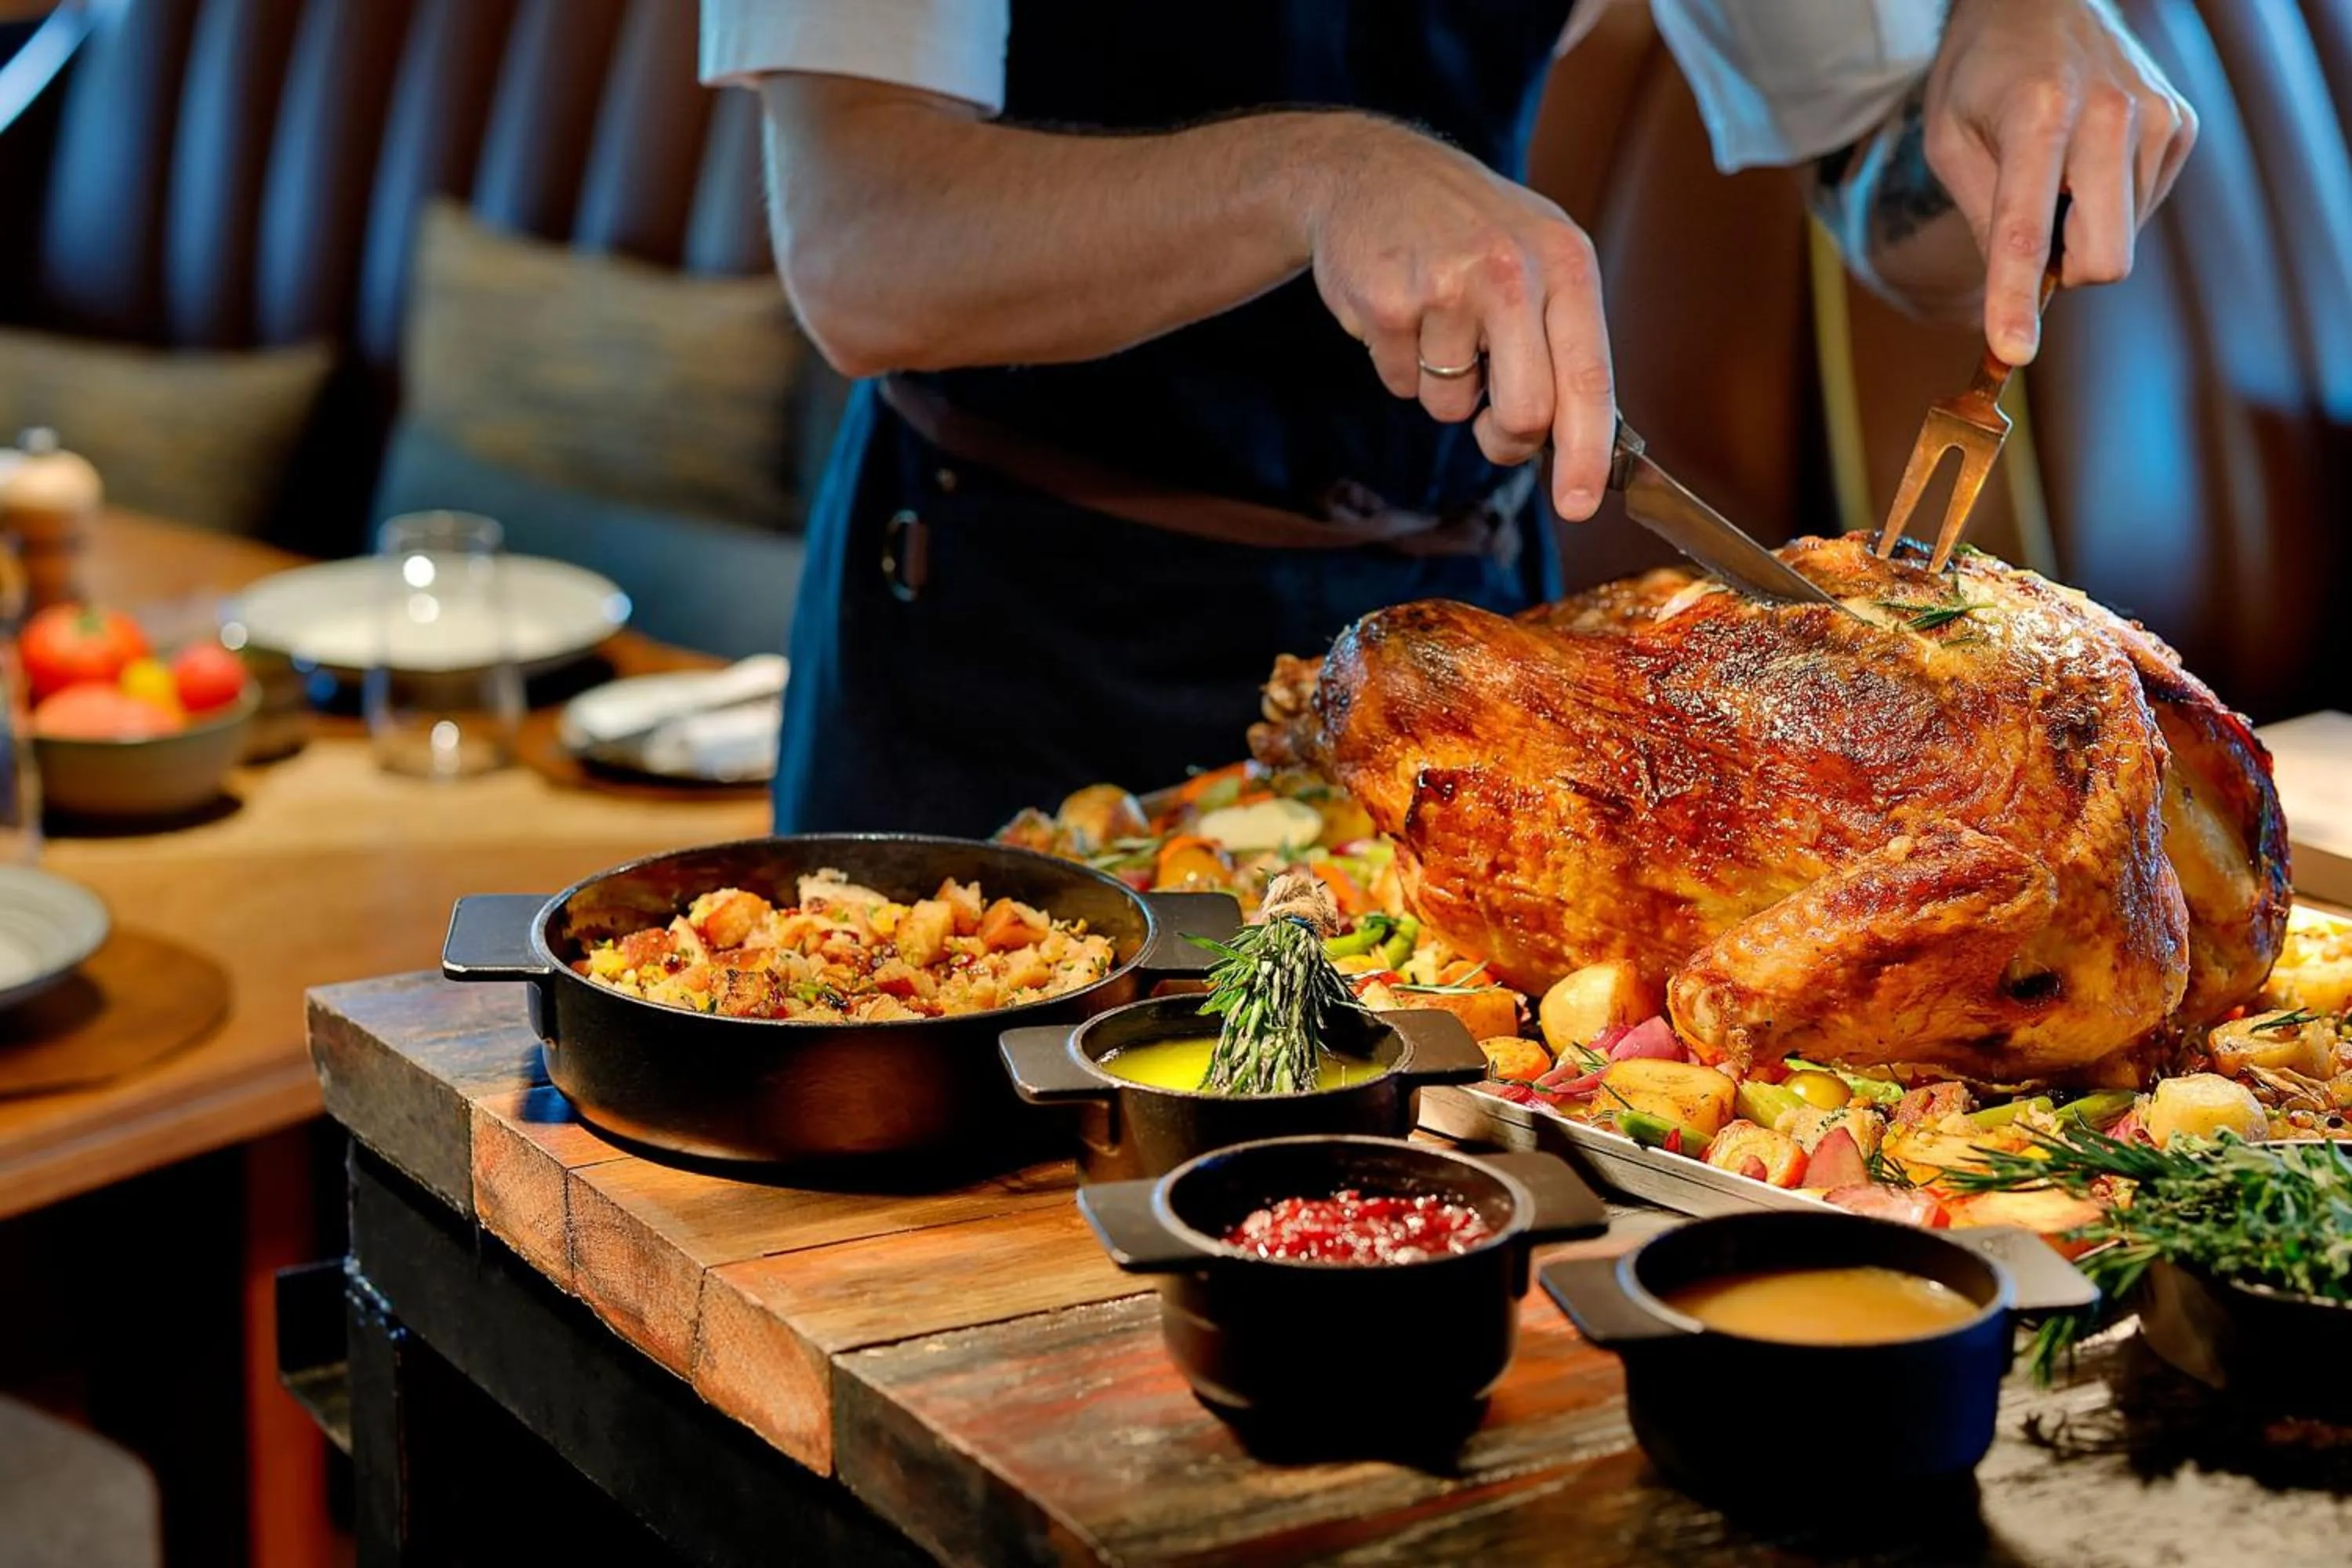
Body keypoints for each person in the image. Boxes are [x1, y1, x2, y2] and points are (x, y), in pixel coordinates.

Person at [699, 0, 2194, 835]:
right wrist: (1319, 180)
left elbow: (1887, 203)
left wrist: (2016, 84)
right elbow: (858, 243)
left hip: (1474, 675)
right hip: (1005, 661)